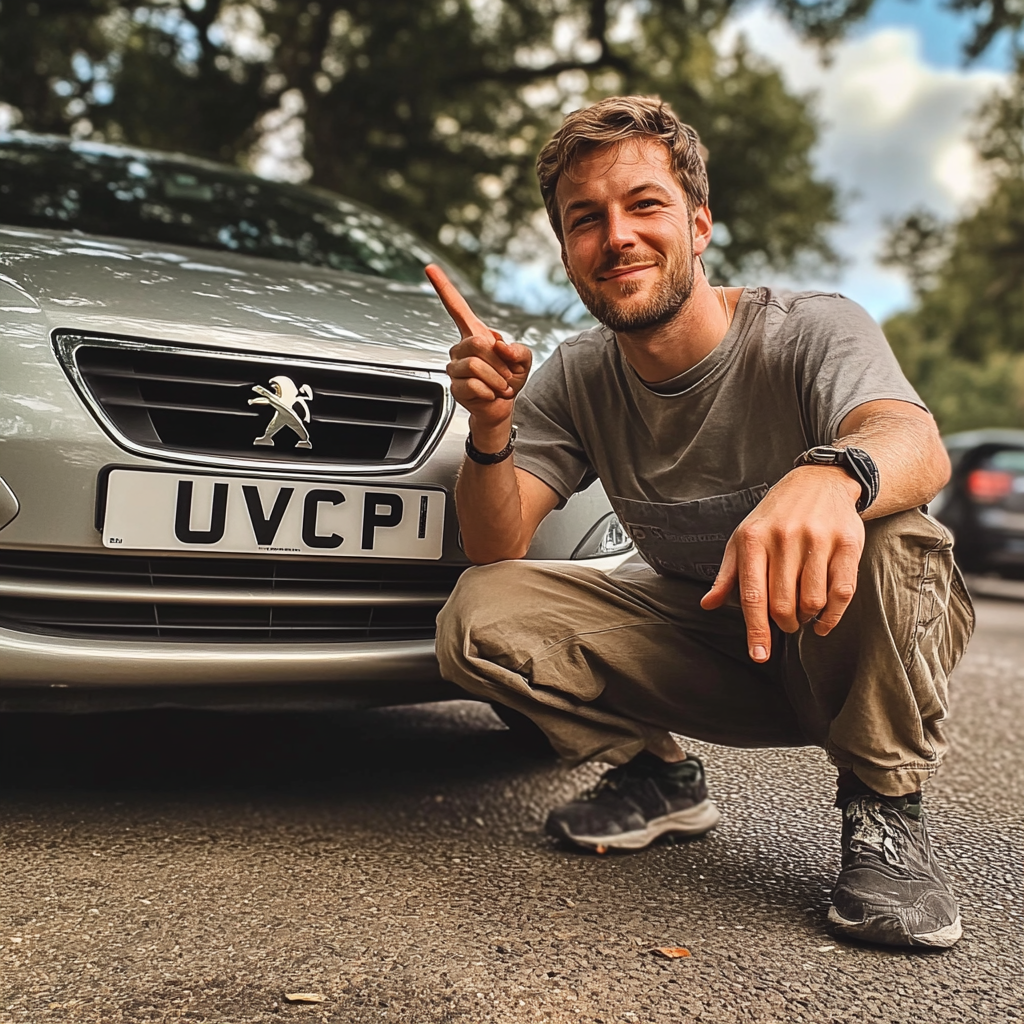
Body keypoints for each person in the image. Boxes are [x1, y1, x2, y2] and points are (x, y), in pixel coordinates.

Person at [426, 95, 974, 949]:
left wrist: (832, 474)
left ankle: (886, 809)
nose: (617, 237)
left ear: (700, 223)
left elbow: (916, 441)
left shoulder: (812, 329)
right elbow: (497, 546)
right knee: (480, 612)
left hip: (843, 639)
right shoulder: (576, 378)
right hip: (714, 643)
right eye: (586, 220)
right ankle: (659, 775)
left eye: (645, 205)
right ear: (568, 251)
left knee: (893, 532)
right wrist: (490, 430)